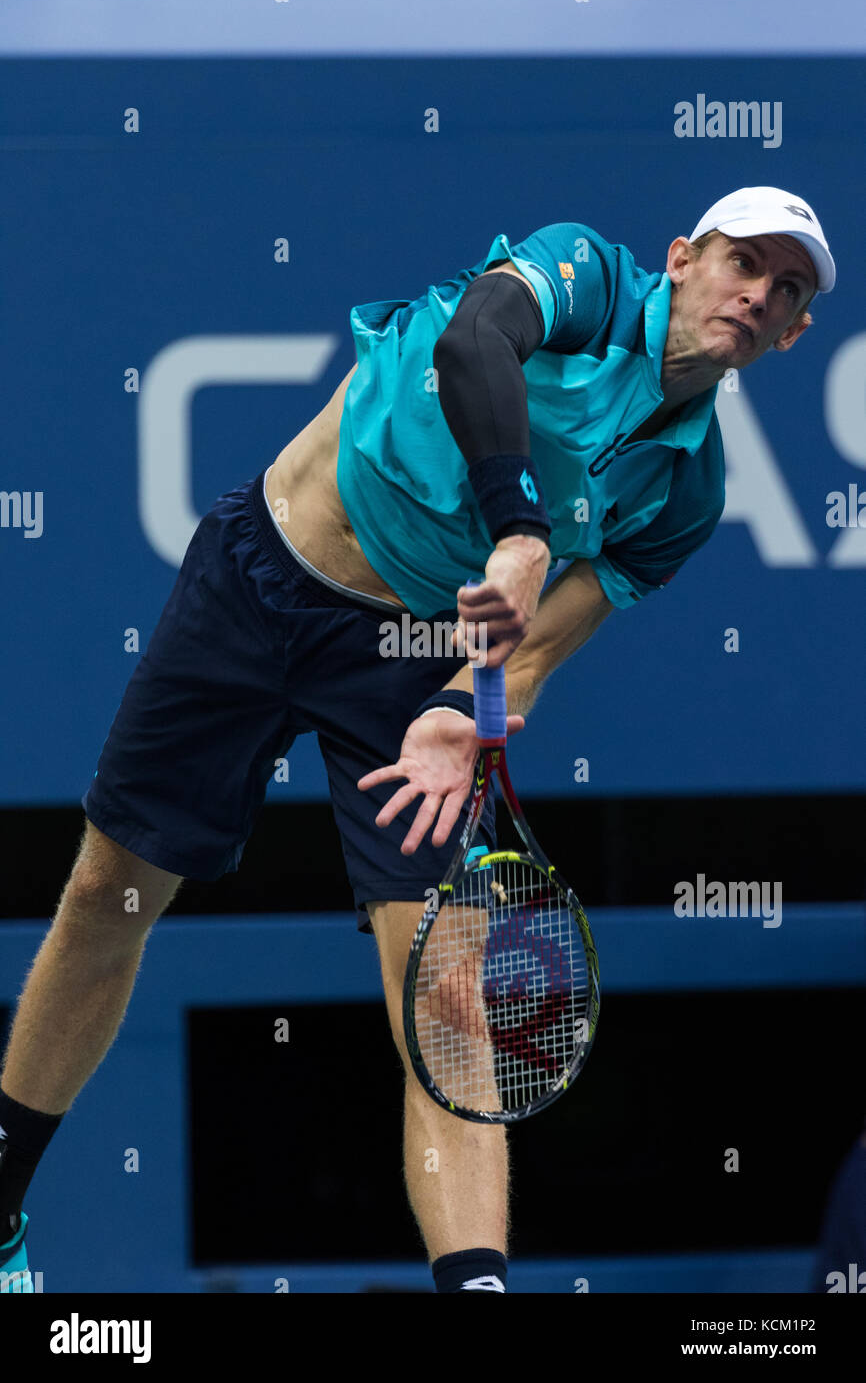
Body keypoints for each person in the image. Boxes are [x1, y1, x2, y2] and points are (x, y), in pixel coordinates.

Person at [0, 186, 834, 1294]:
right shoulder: (582, 273)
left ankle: (477, 1290)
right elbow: (471, 338)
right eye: (743, 262)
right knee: (109, 894)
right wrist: (521, 521)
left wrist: (462, 709)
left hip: (411, 667)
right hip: (262, 579)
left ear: (792, 333)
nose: (756, 293)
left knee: (449, 993)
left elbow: (535, 649)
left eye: (784, 291)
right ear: (680, 258)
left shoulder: (686, 487)